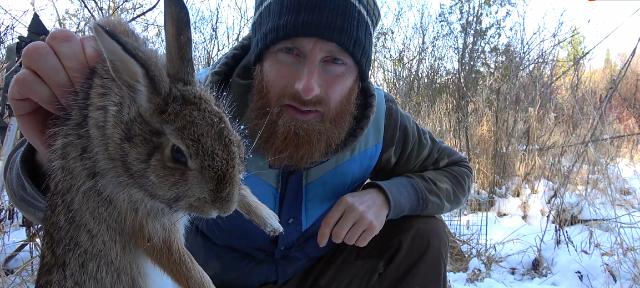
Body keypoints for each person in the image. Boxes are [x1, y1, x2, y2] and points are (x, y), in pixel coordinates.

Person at [4, 0, 472, 287]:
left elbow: (457, 173)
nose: (308, 85)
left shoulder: (380, 120)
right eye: (290, 52)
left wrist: (387, 196)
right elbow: (45, 194)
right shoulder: (194, 100)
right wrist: (55, 155)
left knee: (422, 236)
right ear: (259, 54)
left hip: (317, 275)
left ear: (360, 74)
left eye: (335, 61)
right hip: (209, 278)